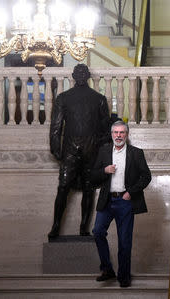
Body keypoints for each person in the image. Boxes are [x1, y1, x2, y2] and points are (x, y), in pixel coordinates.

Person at [48, 64, 111, 238]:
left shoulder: (99, 99)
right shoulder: (64, 98)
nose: (82, 75)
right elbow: (56, 127)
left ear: (88, 76)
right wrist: (55, 148)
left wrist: (98, 145)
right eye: (79, 73)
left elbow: (106, 128)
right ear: (74, 76)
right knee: (63, 187)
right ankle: (56, 226)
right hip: (69, 151)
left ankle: (84, 228)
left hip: (91, 151)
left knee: (89, 189)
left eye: (84, 73)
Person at [91, 121, 151, 288]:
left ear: (127, 134)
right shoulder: (103, 151)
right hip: (107, 200)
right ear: (111, 134)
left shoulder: (136, 153)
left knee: (124, 241)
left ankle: (124, 276)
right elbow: (93, 175)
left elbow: (146, 177)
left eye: (122, 132)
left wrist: (131, 192)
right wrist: (104, 170)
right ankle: (107, 269)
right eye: (115, 132)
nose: (118, 135)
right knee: (97, 232)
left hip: (125, 202)